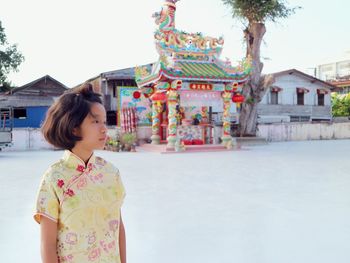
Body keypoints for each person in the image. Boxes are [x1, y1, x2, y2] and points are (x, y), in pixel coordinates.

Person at [33, 83, 126, 263]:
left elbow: (119, 229)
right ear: (74, 127)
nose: (104, 129)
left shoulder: (111, 173)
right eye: (95, 121)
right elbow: (48, 245)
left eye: (104, 121)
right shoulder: (54, 178)